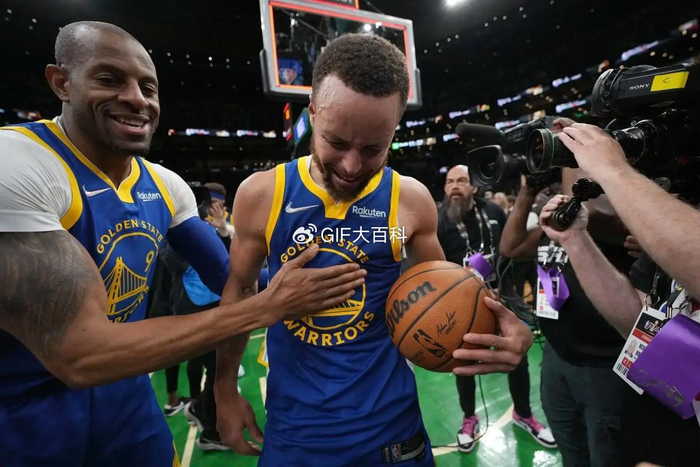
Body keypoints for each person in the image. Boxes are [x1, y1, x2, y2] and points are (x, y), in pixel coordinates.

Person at [0, 21, 365, 466]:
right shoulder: (16, 163)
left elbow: (231, 277)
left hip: (127, 399)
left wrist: (324, 271)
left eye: (148, 87)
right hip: (24, 415)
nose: (136, 98)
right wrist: (267, 307)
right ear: (62, 83)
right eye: (109, 79)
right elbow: (80, 354)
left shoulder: (164, 184)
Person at [213, 33, 533, 465]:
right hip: (295, 429)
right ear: (312, 112)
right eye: (336, 143)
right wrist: (224, 390)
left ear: (394, 131)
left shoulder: (410, 199)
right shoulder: (262, 194)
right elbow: (240, 291)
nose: (351, 166)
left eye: (372, 149)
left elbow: (451, 300)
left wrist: (505, 332)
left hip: (392, 428)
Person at [538, 122, 700, 466]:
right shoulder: (682, 209)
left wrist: (613, 169)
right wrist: (575, 240)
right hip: (657, 415)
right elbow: (636, 320)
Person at [501, 172, 633, 467]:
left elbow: (603, 214)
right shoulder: (556, 223)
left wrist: (572, 186)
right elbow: (510, 247)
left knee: (607, 456)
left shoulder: (608, 220)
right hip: (556, 356)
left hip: (603, 366)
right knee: (570, 452)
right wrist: (528, 192)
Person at [437, 165, 555, 453]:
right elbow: (434, 269)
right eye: (449, 181)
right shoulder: (439, 221)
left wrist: (505, 285)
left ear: (474, 186)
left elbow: (509, 249)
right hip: (461, 306)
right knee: (463, 363)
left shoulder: (492, 211)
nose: (454, 186)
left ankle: (523, 413)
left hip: (502, 297)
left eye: (461, 180)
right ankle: (469, 418)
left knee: (518, 358)